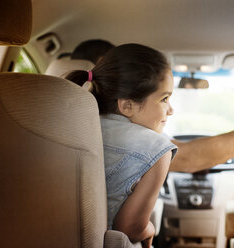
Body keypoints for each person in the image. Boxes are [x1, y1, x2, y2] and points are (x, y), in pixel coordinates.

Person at [66, 43, 177, 248]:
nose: (171, 110)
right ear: (127, 105)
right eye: (164, 99)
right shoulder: (158, 148)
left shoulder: (66, 124)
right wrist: (150, 228)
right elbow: (129, 229)